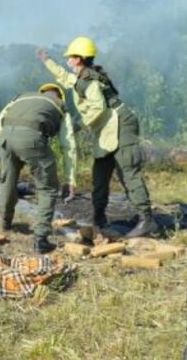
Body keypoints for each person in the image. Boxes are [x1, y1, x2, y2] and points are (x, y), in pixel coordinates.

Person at [38, 38, 160, 238]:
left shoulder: (90, 81)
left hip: (121, 125)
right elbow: (63, 77)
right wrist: (47, 61)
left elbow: (98, 108)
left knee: (127, 171)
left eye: (70, 57)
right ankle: (99, 217)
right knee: (100, 174)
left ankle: (147, 220)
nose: (68, 60)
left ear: (79, 59)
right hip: (105, 129)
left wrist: (78, 125)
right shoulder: (81, 78)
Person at [0, 83, 78, 253]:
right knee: (48, 188)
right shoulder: (60, 105)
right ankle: (41, 239)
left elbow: (2, 116)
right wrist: (70, 179)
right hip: (32, 139)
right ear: (59, 96)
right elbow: (68, 145)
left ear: (42, 92)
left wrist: (6, 139)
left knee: (7, 181)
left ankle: (5, 223)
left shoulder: (22, 96)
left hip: (5, 137)